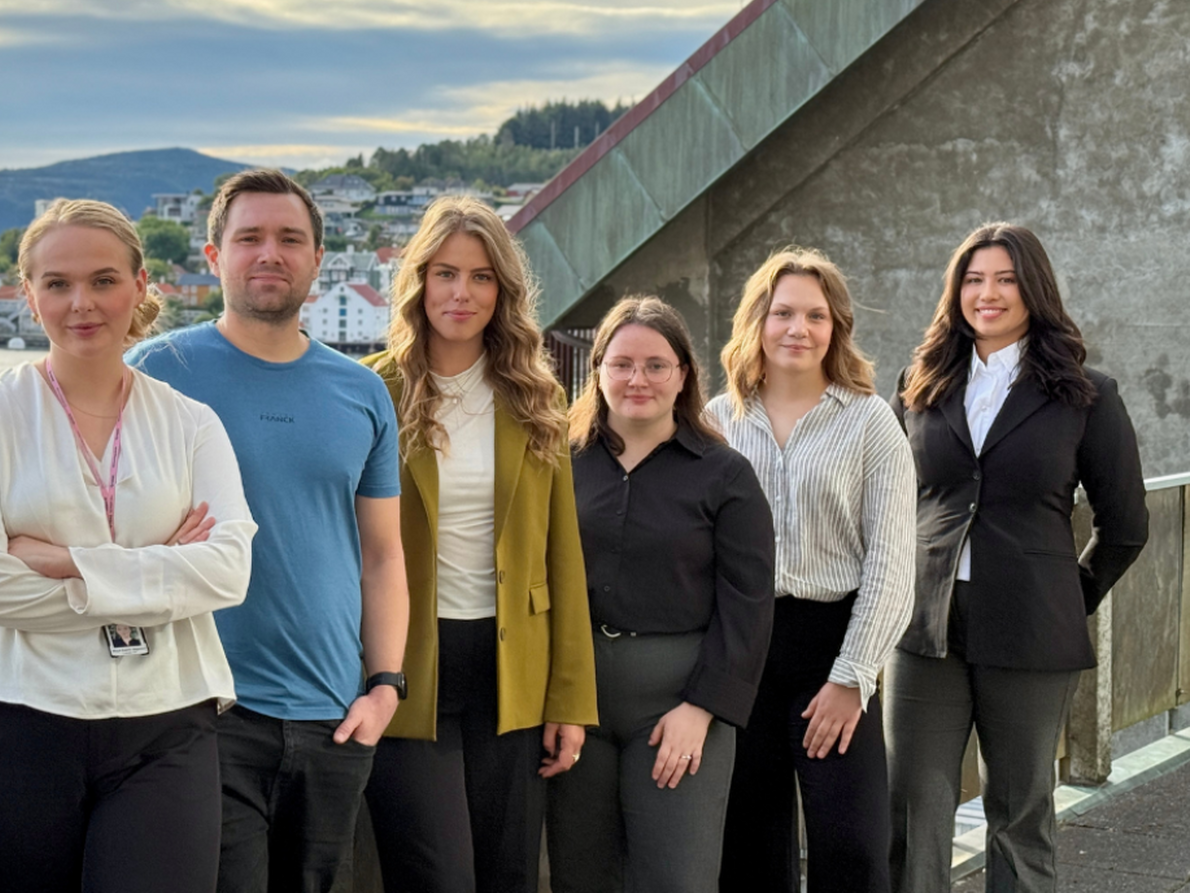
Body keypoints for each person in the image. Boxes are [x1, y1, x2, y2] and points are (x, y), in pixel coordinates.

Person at [0, 198, 256, 893]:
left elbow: (228, 572)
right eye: (58, 283)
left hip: (167, 718)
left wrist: (62, 561)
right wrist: (160, 571)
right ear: (29, 295)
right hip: (12, 718)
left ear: (139, 286)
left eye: (104, 280)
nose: (82, 302)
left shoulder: (192, 423)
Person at [127, 168, 409, 893]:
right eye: (248, 237)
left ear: (318, 259)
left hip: (335, 716)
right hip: (204, 709)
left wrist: (384, 688)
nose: (269, 253)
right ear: (214, 254)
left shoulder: (362, 391)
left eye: (289, 239)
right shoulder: (156, 372)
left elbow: (382, 554)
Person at [885, 222, 1148, 893]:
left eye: (1005, 279)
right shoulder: (919, 383)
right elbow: (887, 500)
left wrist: (1064, 597)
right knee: (912, 805)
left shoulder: (1086, 394)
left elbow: (1124, 527)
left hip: (1031, 629)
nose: (988, 294)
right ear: (956, 291)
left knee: (1019, 811)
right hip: (923, 627)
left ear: (1034, 289)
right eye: (974, 280)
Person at [360, 196, 597, 893]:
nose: (461, 293)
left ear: (503, 291)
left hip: (512, 669)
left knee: (509, 872)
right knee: (437, 875)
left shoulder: (535, 396)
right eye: (445, 273)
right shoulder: (373, 389)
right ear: (419, 283)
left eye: (481, 276)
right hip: (407, 664)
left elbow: (562, 555)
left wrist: (568, 699)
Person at [546, 296, 776, 893]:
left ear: (683, 375)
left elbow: (748, 604)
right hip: (577, 702)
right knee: (581, 877)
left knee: (676, 879)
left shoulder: (725, 474)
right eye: (622, 364)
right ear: (597, 371)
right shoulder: (559, 463)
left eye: (655, 365)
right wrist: (556, 697)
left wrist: (702, 709)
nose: (638, 379)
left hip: (678, 703)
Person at [708, 247, 917, 893]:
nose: (798, 328)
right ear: (757, 322)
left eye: (815, 316)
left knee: (853, 848)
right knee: (748, 851)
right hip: (743, 651)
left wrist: (853, 676)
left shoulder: (870, 422)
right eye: (783, 313)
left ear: (836, 327)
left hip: (833, 648)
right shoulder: (715, 421)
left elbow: (891, 562)